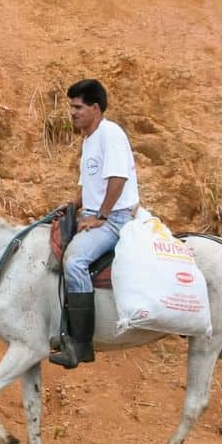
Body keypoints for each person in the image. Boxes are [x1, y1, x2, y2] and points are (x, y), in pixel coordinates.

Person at [50, 78, 140, 370]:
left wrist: (101, 216)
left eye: (78, 107)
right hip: (98, 211)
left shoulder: (109, 134)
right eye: (71, 107)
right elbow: (88, 186)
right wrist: (72, 206)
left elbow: (118, 179)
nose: (72, 113)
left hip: (114, 219)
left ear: (96, 108)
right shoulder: (90, 139)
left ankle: (80, 343)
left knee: (74, 260)